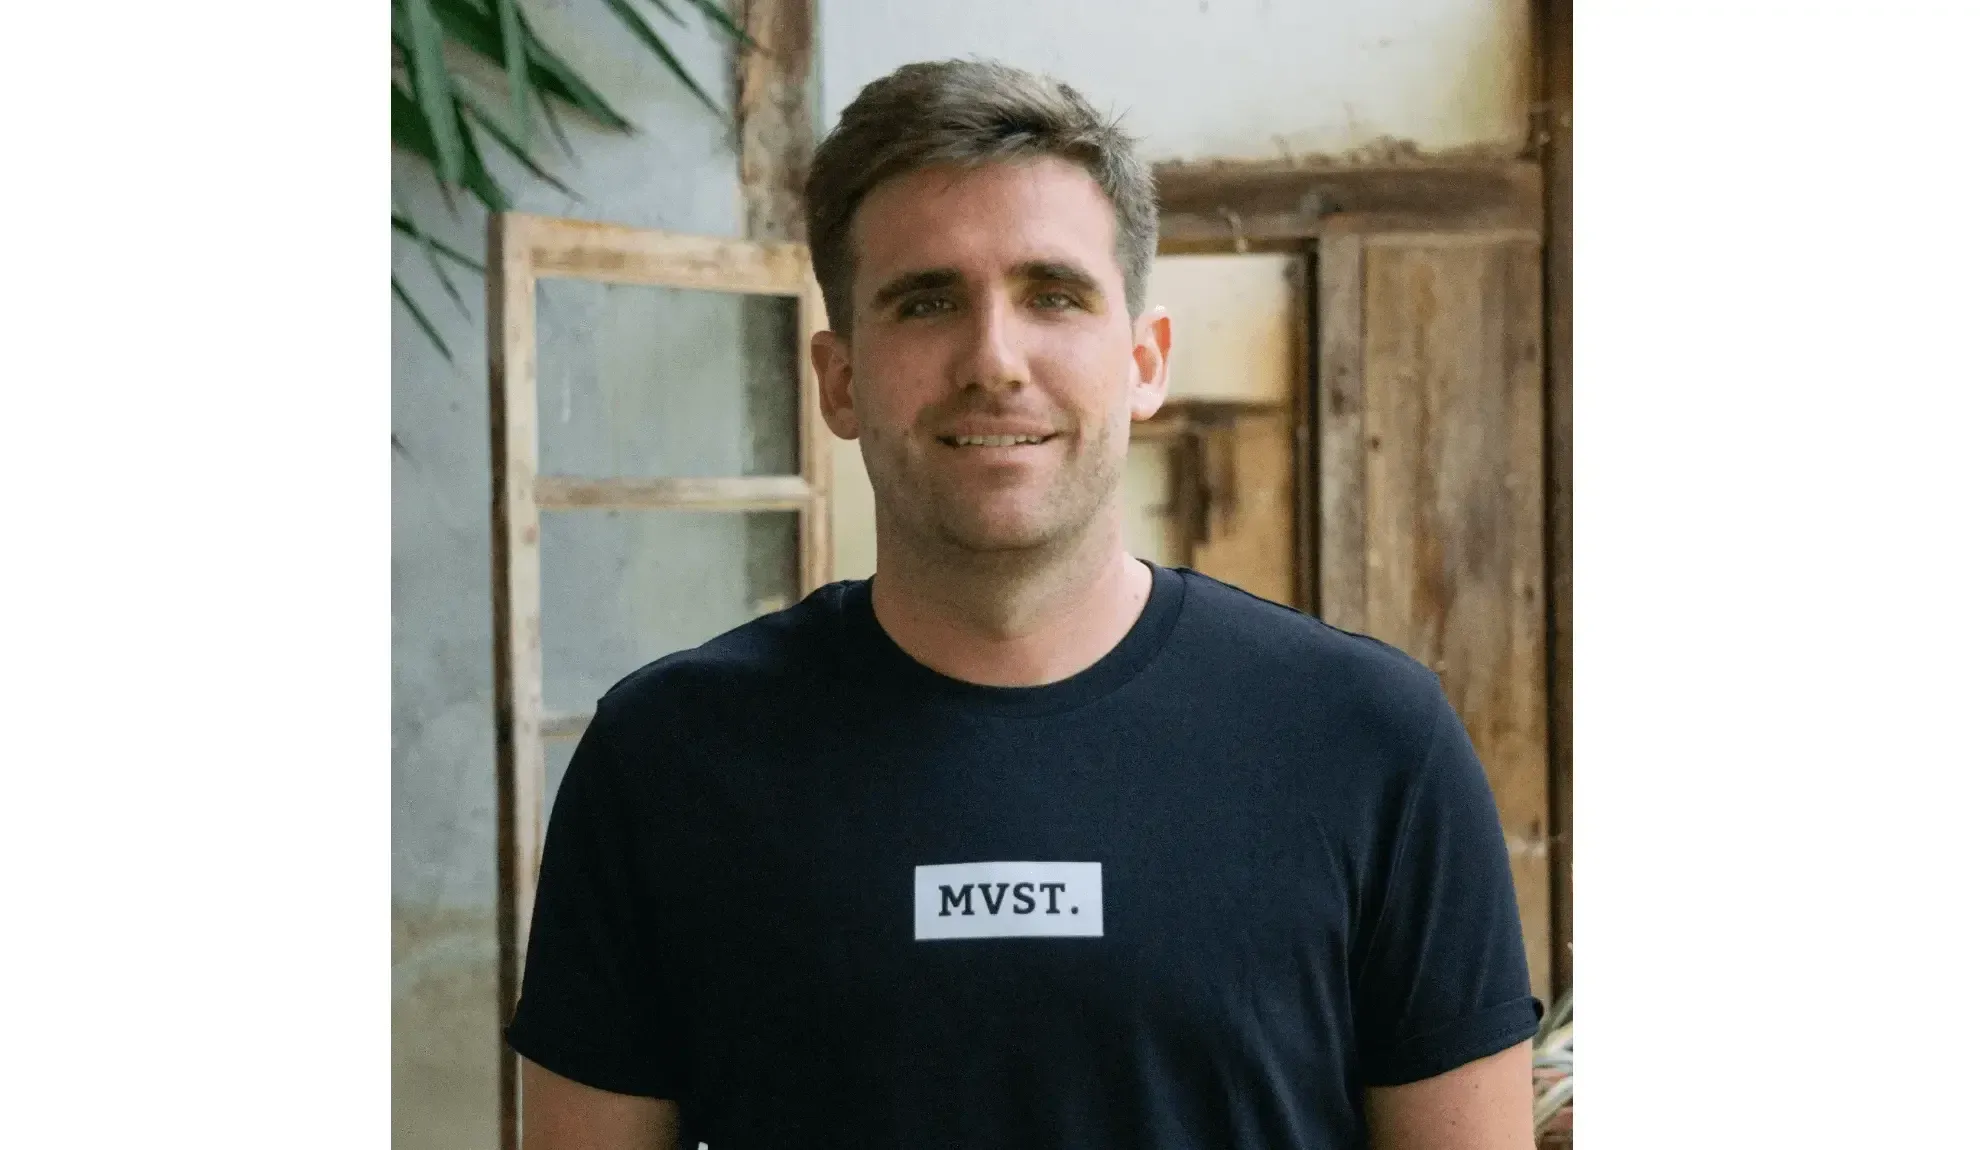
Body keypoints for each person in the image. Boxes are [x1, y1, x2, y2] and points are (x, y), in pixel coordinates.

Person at [507, 58, 1540, 1150]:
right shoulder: (666, 758)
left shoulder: (1373, 742)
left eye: (1053, 293)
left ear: (1143, 359)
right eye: (927, 299)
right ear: (841, 378)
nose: (994, 358)